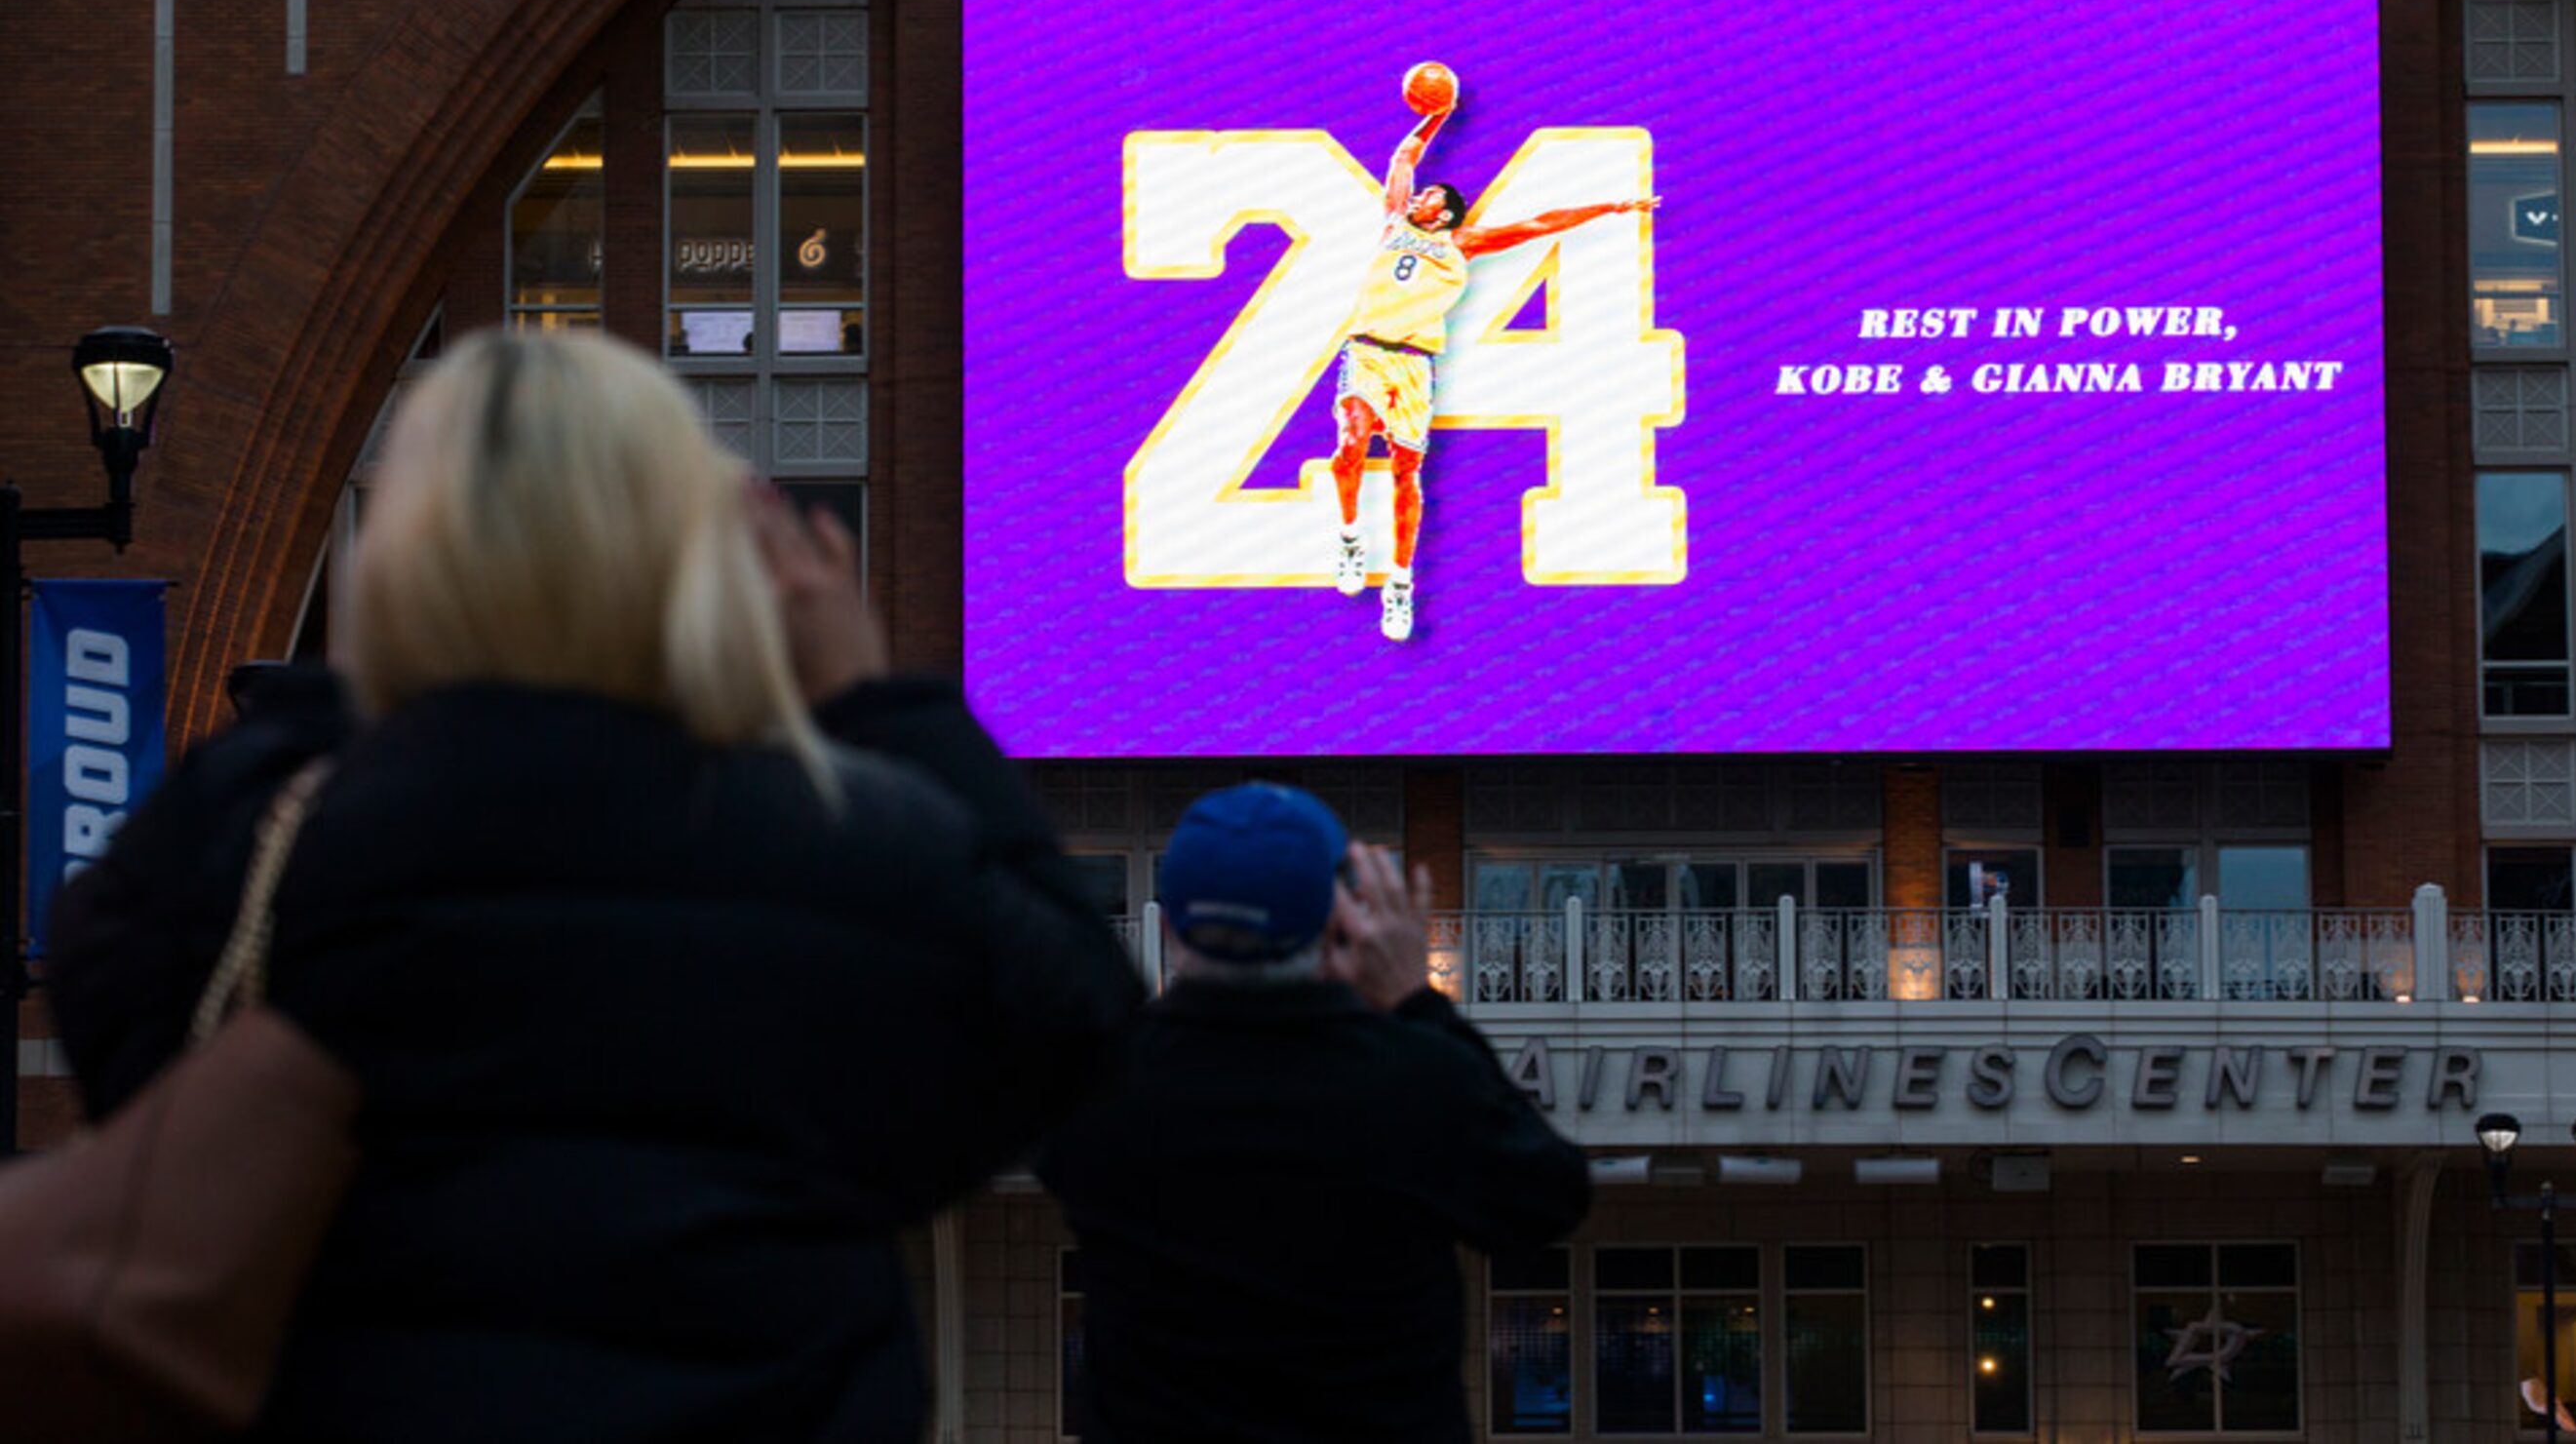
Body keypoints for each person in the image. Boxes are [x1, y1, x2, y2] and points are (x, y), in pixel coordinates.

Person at [49, 330, 1145, 1444]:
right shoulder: (852, 837)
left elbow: (114, 1011)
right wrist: (876, 696)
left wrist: (390, 685)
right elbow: (1086, 1032)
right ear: (691, 554)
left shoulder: (284, 840)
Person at [1038, 783, 1590, 1443]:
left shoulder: (1096, 1083)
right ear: (1340, 924)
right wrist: (1417, 1001)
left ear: (1167, 926)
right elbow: (1547, 1198)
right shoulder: (1414, 1079)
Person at [1329, 73, 1661, 642]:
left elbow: (1539, 225)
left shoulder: (1462, 243)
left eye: (1429, 195)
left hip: (1413, 363)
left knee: (1408, 473)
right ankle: (1351, 540)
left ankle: (1401, 582)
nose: (1418, 195)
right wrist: (1438, 115)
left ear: (1446, 213)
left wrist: (1611, 206)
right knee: (1352, 442)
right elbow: (1403, 156)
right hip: (1366, 350)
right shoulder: (1393, 222)